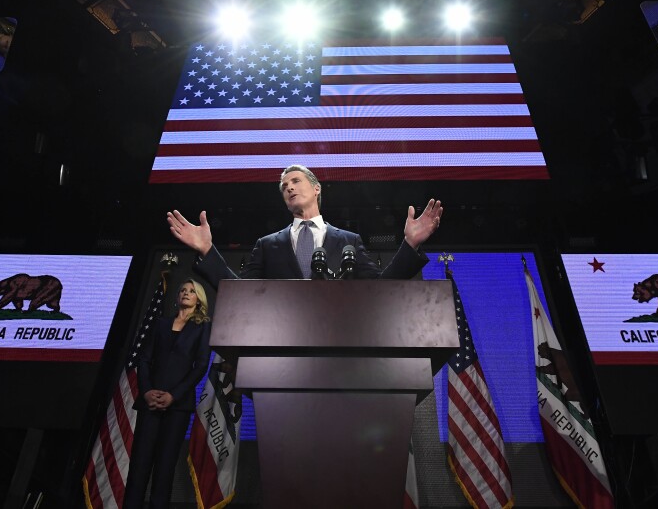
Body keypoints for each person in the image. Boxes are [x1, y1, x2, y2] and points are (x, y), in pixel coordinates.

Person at [167, 164, 443, 284]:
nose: (288, 188)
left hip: (342, 346)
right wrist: (206, 250)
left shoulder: (350, 240)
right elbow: (238, 293)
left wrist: (410, 245)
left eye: (295, 181)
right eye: (284, 186)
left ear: (316, 189)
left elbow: (381, 288)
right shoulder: (267, 245)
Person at [123, 279, 212, 509]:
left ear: (198, 299)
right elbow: (144, 359)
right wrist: (147, 392)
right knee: (139, 466)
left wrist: (173, 395)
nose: (186, 293)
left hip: (178, 407)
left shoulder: (203, 328)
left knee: (165, 467)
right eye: (182, 290)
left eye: (192, 291)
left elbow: (201, 366)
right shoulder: (161, 324)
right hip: (149, 404)